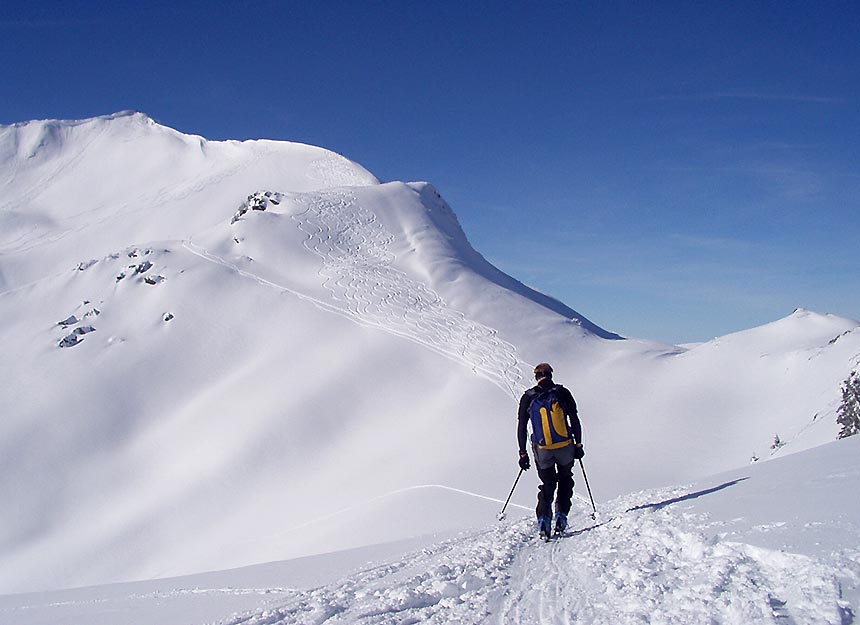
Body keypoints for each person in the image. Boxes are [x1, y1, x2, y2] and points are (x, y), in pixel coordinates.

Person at [517, 362, 584, 539]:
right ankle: (561, 516)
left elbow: (522, 426)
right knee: (565, 479)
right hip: (565, 447)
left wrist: (522, 453)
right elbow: (574, 419)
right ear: (551, 374)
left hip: (542, 449)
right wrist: (578, 444)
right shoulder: (562, 392)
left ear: (536, 376)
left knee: (547, 484)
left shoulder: (528, 397)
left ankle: (544, 521)